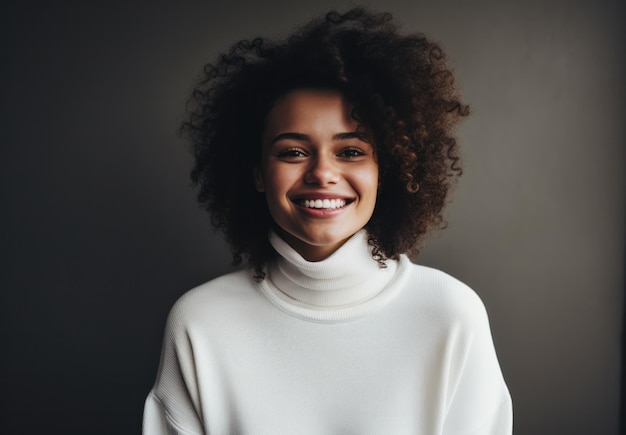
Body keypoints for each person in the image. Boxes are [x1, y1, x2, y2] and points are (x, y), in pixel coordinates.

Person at [143, 8, 512, 434]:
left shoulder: (450, 313)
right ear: (258, 173)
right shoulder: (199, 323)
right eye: (293, 152)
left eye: (351, 151)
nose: (322, 173)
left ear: (385, 171)